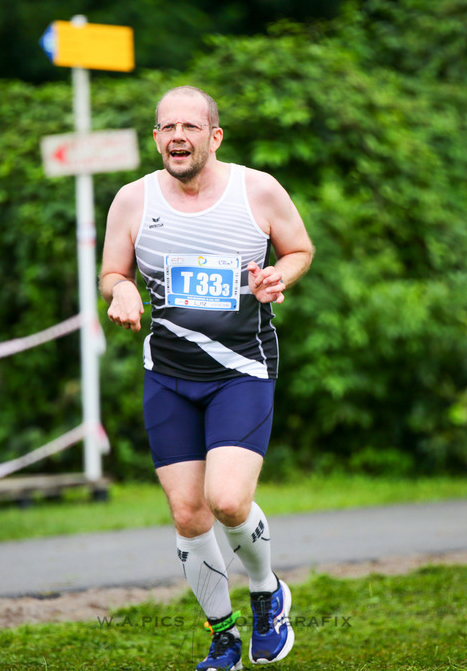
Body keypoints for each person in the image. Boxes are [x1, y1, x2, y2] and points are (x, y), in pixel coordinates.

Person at [99, 86, 314, 670]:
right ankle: (223, 636)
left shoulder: (258, 189)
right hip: (168, 373)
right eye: (167, 127)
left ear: (214, 137)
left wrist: (279, 278)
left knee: (226, 499)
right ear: (156, 138)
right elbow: (112, 271)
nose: (177, 136)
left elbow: (299, 249)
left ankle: (268, 591)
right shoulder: (133, 199)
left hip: (242, 368)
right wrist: (121, 290)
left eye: (190, 127)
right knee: (188, 514)